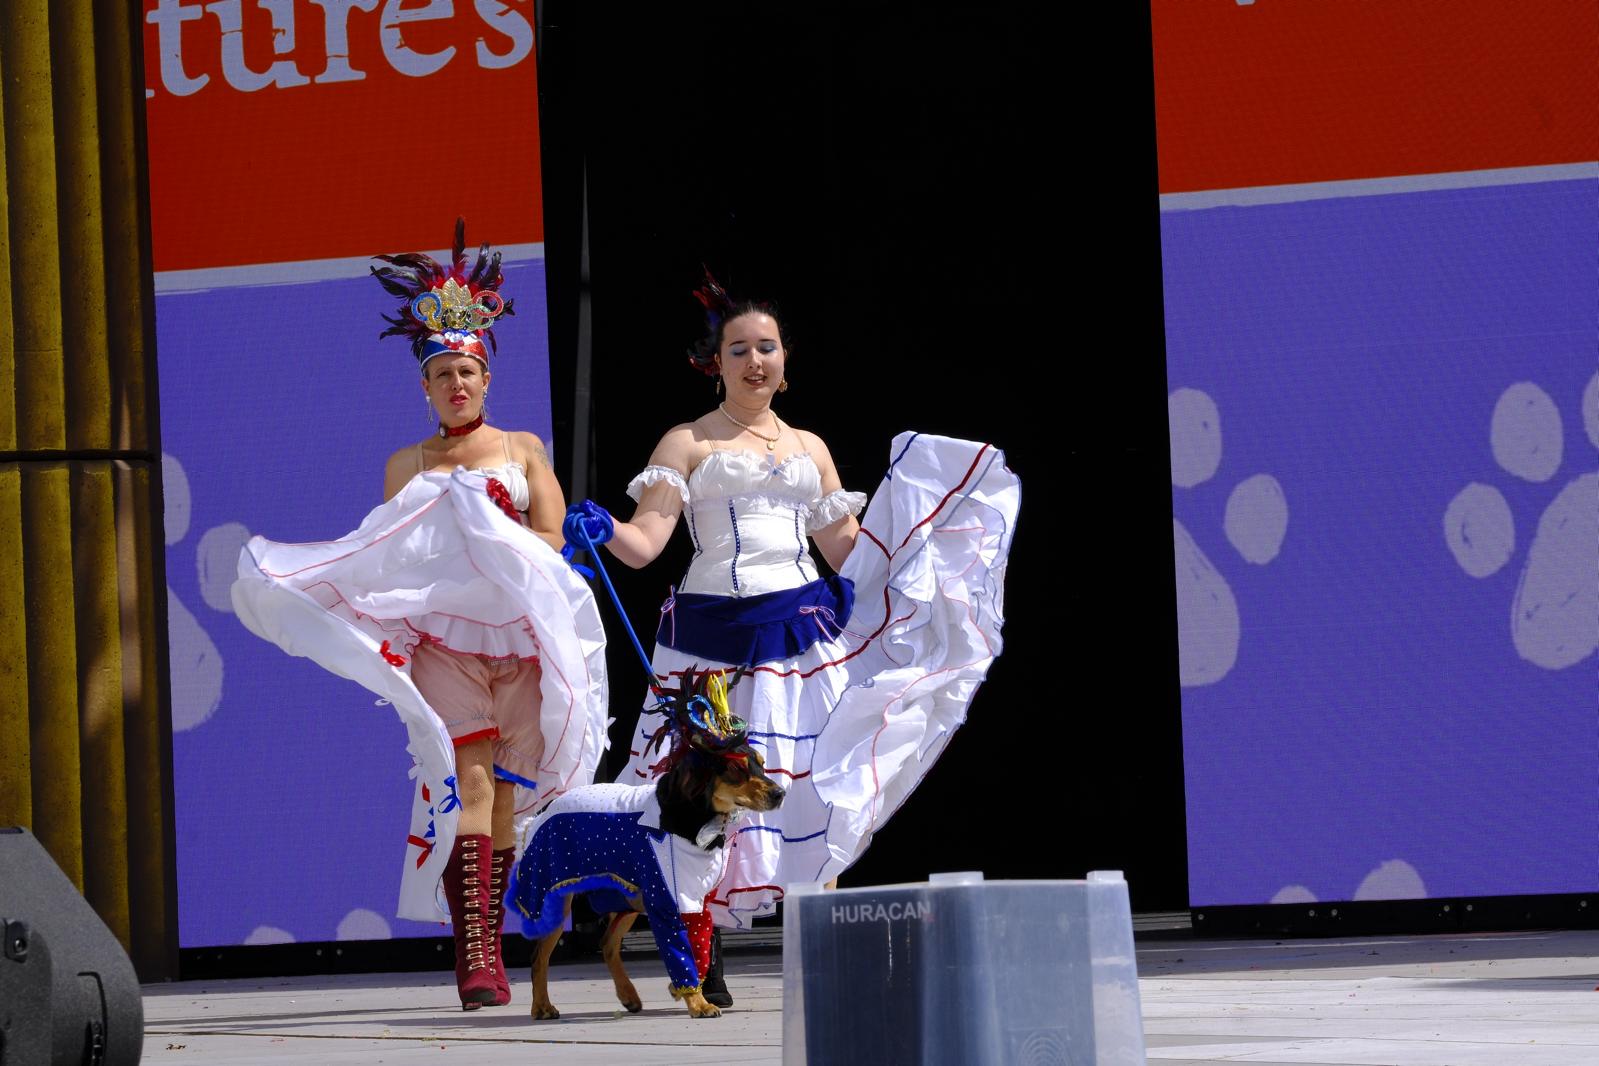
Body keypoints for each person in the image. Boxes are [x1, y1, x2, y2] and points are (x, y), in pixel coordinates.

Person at [564, 271, 1018, 1006]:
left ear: (784, 358)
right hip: (709, 641)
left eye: (765, 347)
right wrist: (604, 528)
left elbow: (845, 549)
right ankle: (701, 952)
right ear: (713, 362)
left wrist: (917, 544)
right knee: (700, 793)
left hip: (800, 638)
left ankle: (821, 951)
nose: (753, 361)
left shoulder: (810, 446)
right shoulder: (686, 441)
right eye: (737, 348)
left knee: (818, 784)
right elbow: (647, 543)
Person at [231, 221, 609, 1010]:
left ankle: (493, 941)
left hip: (521, 643)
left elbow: (550, 541)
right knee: (468, 784)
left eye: (467, 371)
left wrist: (498, 532)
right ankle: (477, 960)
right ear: (425, 386)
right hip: (447, 645)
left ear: (486, 377)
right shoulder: (407, 465)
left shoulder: (524, 449)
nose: (457, 385)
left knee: (504, 797)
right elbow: (392, 556)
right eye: (442, 374)